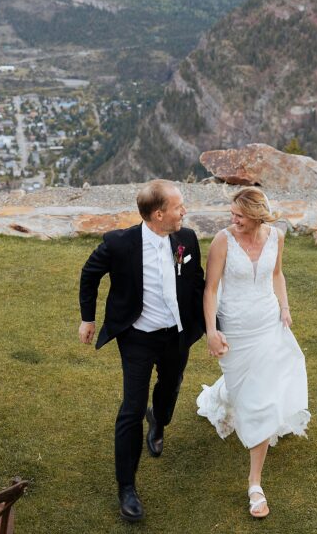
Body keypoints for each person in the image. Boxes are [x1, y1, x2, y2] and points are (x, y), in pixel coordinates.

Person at [78, 180, 206, 522]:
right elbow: (89, 274)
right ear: (158, 214)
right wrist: (87, 319)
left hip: (176, 335)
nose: (185, 211)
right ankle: (127, 488)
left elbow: (197, 283)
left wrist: (212, 325)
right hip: (136, 338)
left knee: (170, 387)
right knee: (131, 410)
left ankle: (159, 420)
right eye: (179, 206)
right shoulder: (120, 243)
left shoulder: (187, 239)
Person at [196, 187, 309, 519]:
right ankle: (225, 399)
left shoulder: (277, 237)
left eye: (239, 216)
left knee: (262, 398)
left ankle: (254, 485)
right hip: (235, 331)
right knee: (244, 389)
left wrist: (285, 307)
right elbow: (211, 288)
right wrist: (211, 331)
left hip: (269, 325)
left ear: (258, 215)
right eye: (232, 214)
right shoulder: (222, 241)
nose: (233, 220)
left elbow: (277, 275)